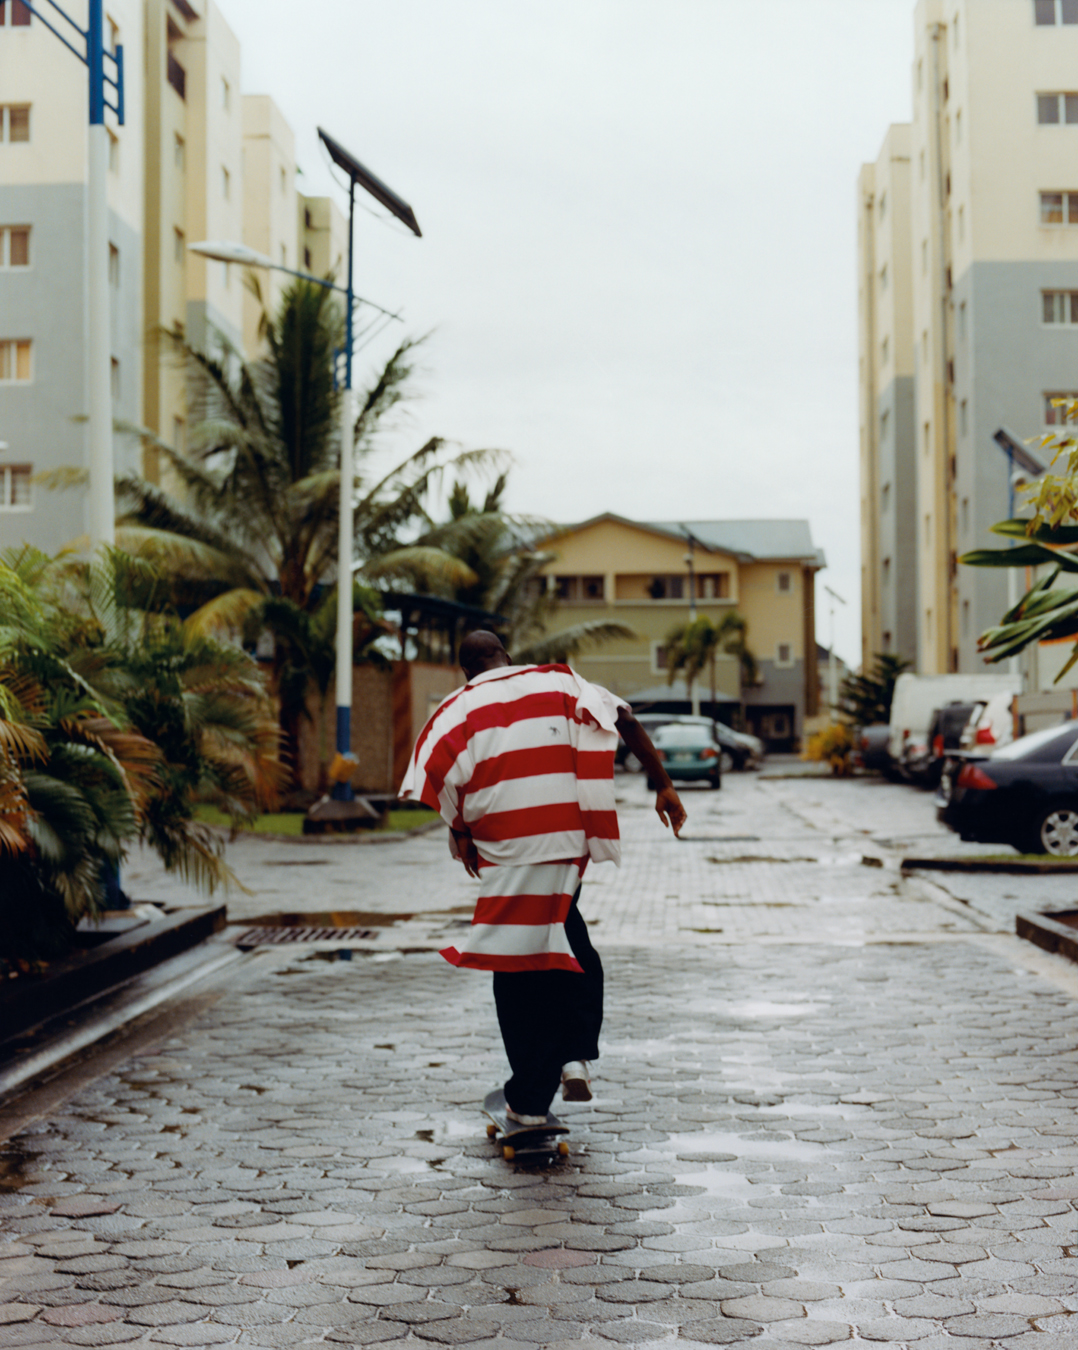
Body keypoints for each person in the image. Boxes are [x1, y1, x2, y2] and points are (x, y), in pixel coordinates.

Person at [399, 630, 686, 1125]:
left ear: (466, 670)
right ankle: (573, 1054)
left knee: (513, 966)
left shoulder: (456, 708)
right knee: (563, 928)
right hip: (565, 840)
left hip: (507, 848)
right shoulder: (562, 684)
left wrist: (461, 833)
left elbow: (440, 777)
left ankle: (528, 1099)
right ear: (507, 657)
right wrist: (663, 786)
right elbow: (624, 721)